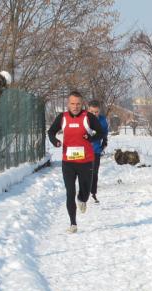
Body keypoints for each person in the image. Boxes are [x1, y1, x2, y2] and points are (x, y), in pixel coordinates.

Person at [48, 91, 105, 233]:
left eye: (78, 103)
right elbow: (51, 131)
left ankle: (82, 199)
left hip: (86, 161)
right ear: (68, 104)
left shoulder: (89, 117)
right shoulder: (62, 117)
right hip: (68, 162)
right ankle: (73, 224)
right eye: (72, 103)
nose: (75, 106)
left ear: (82, 104)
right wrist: (55, 141)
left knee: (84, 192)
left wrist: (90, 138)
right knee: (70, 192)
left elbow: (101, 132)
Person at [87, 100, 109, 204]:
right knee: (85, 173)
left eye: (96, 112)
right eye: (92, 111)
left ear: (99, 111)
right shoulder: (84, 119)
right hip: (84, 151)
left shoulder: (102, 120)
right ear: (88, 110)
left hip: (96, 150)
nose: (94, 114)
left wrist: (104, 141)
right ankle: (84, 193)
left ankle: (93, 193)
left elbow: (105, 132)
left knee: (94, 172)